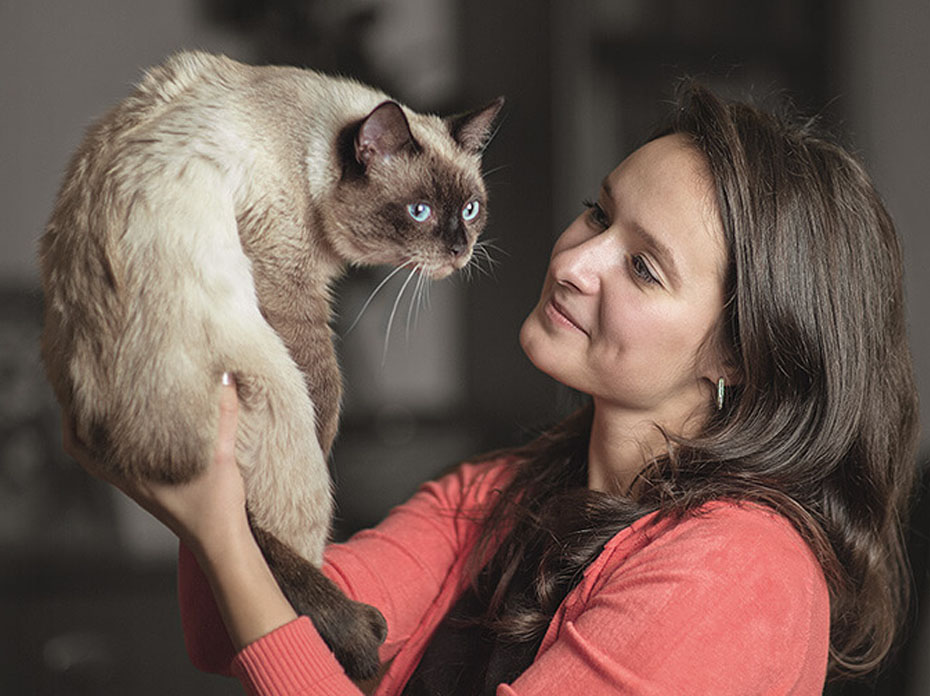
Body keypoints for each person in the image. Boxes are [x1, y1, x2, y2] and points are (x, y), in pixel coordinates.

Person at [63, 82, 919, 695]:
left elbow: (245, 591)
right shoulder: (497, 496)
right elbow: (247, 632)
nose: (575, 261)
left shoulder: (741, 574)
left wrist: (218, 526)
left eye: (644, 267)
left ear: (738, 356)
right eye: (596, 212)